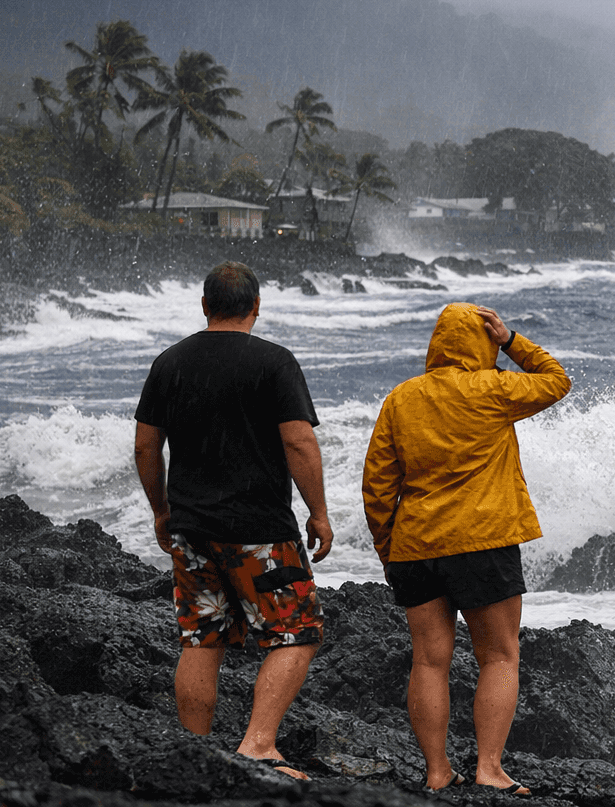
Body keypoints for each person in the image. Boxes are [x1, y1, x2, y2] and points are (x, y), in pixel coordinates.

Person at [134, 261, 331, 781]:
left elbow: (146, 446)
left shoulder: (169, 363)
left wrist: (160, 510)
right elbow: (298, 440)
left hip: (193, 529)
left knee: (203, 638)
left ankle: (194, 754)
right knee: (295, 631)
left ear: (204, 307)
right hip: (260, 531)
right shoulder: (274, 362)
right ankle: (259, 744)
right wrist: (319, 512)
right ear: (256, 307)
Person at [362, 302, 569, 794]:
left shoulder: (401, 398)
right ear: (484, 343)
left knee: (429, 661)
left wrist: (388, 549)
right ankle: (489, 769)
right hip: (483, 543)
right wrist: (513, 339)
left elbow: (376, 486)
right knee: (498, 657)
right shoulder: (494, 388)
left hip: (415, 549)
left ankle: (437, 771)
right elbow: (556, 379)